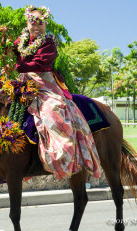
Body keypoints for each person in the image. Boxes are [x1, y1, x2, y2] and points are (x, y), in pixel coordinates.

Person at [12, 6, 101, 180]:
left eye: (41, 23)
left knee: (53, 109)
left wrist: (18, 66)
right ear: (27, 22)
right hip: (21, 80)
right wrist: (6, 52)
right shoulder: (20, 41)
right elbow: (14, 54)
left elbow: (40, 63)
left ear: (45, 24)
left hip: (44, 81)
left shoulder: (49, 42)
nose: (36, 27)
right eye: (33, 23)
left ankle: (63, 154)